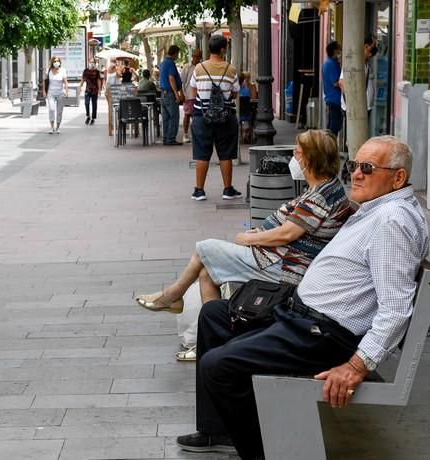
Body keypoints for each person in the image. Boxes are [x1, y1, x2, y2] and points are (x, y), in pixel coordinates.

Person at [176, 136, 428, 459]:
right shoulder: (379, 208)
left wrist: (355, 366)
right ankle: (219, 430)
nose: (356, 174)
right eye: (354, 166)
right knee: (213, 316)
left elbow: (395, 309)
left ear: (398, 178)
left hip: (322, 335)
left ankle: (261, 451)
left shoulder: (393, 221)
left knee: (218, 366)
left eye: (367, 168)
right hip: (300, 318)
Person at [136, 129, 351, 315]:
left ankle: (172, 296)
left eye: (297, 152)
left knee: (205, 249)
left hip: (285, 266)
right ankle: (211, 332)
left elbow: (286, 234)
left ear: (309, 159)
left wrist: (249, 238)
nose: (293, 158)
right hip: (280, 257)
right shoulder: (327, 187)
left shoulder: (320, 196)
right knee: (206, 272)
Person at [189, 35, 241, 201]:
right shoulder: (231, 69)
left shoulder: (199, 68)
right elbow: (235, 93)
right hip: (226, 117)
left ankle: (199, 190)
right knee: (225, 154)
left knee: (201, 153)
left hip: (201, 116)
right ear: (222, 50)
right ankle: (227, 189)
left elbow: (193, 90)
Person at [339, 34, 377, 120]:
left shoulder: (365, 64)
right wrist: (353, 102)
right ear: (366, 46)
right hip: (355, 109)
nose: (371, 54)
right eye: (371, 47)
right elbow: (341, 82)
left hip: (364, 107)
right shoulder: (353, 63)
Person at [159, 45, 184, 146]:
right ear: (175, 53)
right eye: (178, 54)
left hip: (163, 93)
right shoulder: (170, 63)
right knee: (174, 116)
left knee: (166, 117)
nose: (178, 56)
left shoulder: (163, 63)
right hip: (169, 93)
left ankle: (166, 137)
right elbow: (171, 78)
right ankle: (170, 139)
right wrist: (176, 94)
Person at [181, 48, 202, 144]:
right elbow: (182, 82)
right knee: (187, 115)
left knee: (198, 116)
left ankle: (197, 134)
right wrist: (183, 94)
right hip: (189, 95)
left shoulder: (202, 67)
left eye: (198, 57)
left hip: (200, 95)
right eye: (194, 56)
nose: (196, 58)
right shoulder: (186, 67)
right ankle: (185, 134)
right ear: (192, 56)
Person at [322, 41, 343, 136]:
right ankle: (329, 146)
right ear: (334, 51)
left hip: (331, 98)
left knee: (332, 125)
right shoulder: (331, 64)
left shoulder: (328, 63)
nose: (341, 51)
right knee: (334, 126)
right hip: (335, 99)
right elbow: (335, 83)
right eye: (339, 49)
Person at [43, 56, 68, 134]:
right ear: (52, 62)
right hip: (51, 93)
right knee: (52, 109)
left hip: (60, 93)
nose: (56, 62)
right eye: (55, 61)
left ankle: (57, 127)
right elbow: (44, 81)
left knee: (59, 111)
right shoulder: (49, 70)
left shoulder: (63, 70)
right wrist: (44, 91)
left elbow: (65, 82)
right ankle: (51, 127)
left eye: (57, 61)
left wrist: (66, 91)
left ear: (60, 62)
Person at [80, 59, 102, 125]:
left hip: (95, 90)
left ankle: (93, 118)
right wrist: (80, 86)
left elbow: (98, 80)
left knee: (94, 104)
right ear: (88, 62)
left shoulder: (97, 71)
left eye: (93, 62)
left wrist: (100, 90)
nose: (92, 63)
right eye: (91, 62)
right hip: (88, 89)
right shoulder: (86, 71)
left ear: (95, 63)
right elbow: (83, 79)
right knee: (86, 103)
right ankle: (88, 116)